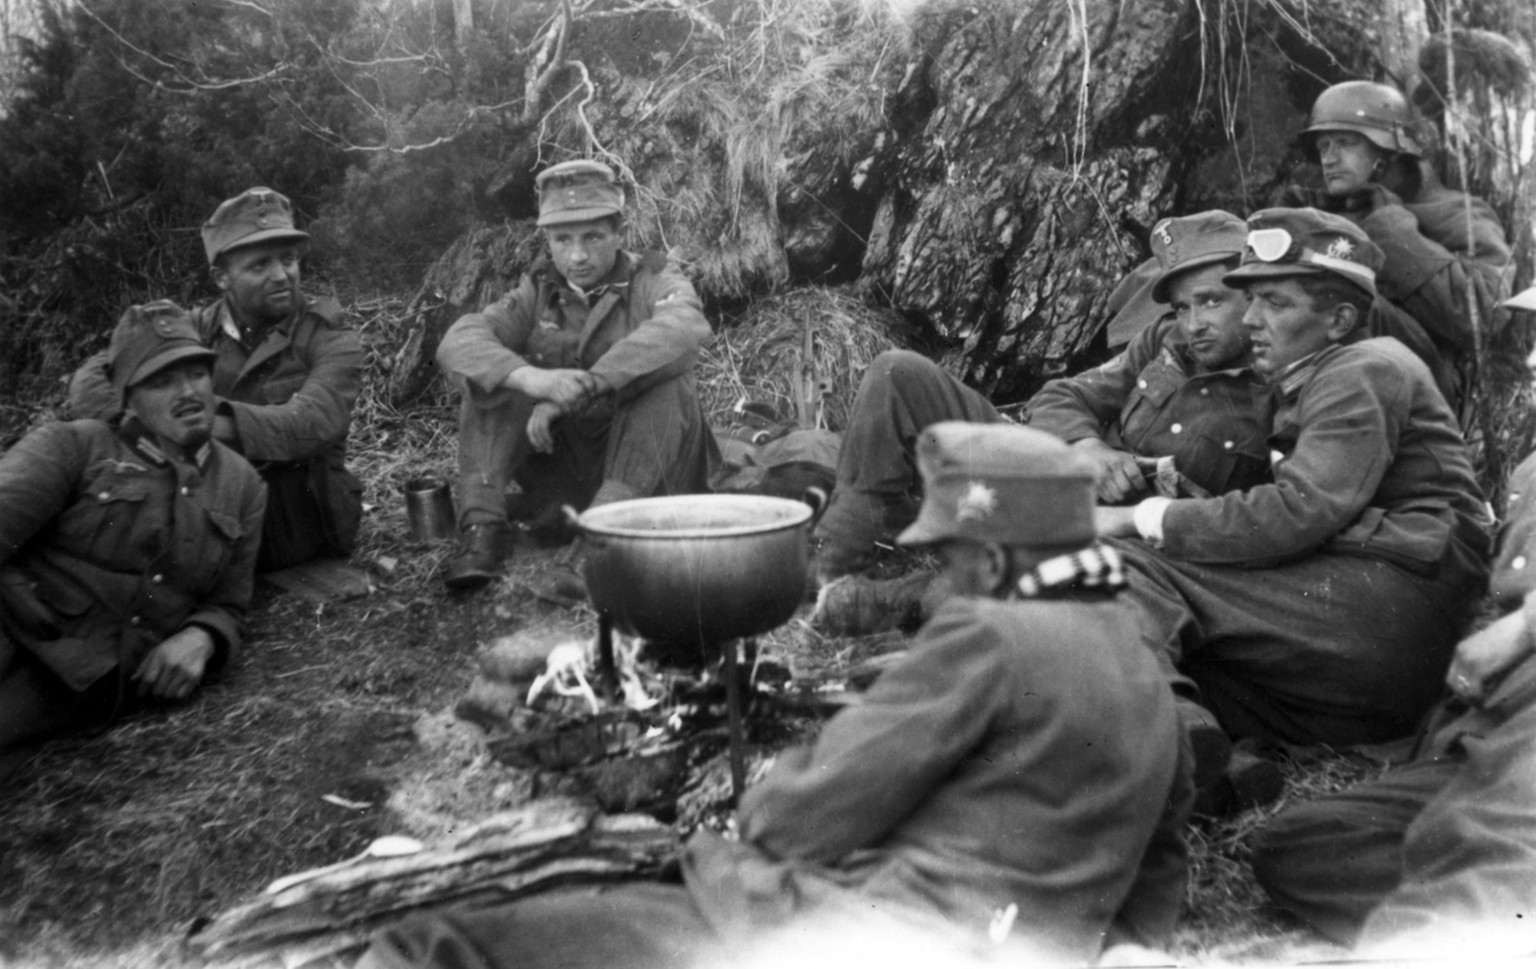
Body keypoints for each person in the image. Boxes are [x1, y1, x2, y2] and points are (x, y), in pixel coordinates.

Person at [356, 423, 1193, 968]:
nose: (949, 572)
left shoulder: (993, 634)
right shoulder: (1140, 657)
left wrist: (734, 832)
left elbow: (817, 806)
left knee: (443, 944)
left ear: (1000, 552)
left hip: (853, 937)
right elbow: (1159, 871)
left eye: (957, 552)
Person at [1095, 208, 1492, 757]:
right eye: (1251, 299)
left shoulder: (1362, 368)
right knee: (1190, 649)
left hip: (1396, 606)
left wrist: (1139, 518)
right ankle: (1212, 767)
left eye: (1275, 302)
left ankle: (1169, 743)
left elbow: (1299, 509)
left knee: (1127, 564)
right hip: (1381, 633)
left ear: (1340, 319)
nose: (1252, 319)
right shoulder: (1307, 379)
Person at [1248, 280, 1536, 959]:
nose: (1531, 360)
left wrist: (1523, 631)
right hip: (1485, 733)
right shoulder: (1531, 466)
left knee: (1495, 844)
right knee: (1306, 847)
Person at [812, 210, 1267, 589]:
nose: (1193, 324)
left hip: (1115, 544)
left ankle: (898, 585)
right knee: (899, 373)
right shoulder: (1165, 341)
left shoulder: (1279, 393)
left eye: (1210, 302)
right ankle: (834, 564)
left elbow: (1245, 523)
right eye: (1183, 307)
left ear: (1253, 295)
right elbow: (1062, 396)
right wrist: (1089, 448)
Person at [0, 302, 266, 781]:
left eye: (196, 374)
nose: (187, 392)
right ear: (128, 398)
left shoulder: (242, 484)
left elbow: (230, 602)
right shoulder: (74, 446)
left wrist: (201, 636)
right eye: (162, 381)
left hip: (77, 686)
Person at [435, 159, 716, 590]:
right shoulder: (538, 290)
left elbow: (684, 329)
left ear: (619, 233)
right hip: (568, 471)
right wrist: (535, 380)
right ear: (547, 240)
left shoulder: (654, 277)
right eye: (562, 239)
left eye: (592, 237)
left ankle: (599, 542)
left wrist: (586, 385)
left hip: (646, 476)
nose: (577, 255)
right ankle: (482, 531)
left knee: (666, 381)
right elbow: (461, 340)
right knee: (494, 378)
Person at [67, 187, 365, 571]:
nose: (282, 276)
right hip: (207, 494)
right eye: (259, 265)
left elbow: (311, 423)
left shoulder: (328, 333)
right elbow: (94, 375)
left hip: (297, 515)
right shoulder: (194, 327)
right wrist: (135, 422)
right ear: (221, 278)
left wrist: (180, 421)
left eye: (288, 259)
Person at [1283, 80, 1512, 409]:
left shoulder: (1455, 213)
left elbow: (1481, 315)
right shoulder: (1325, 212)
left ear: (1388, 152)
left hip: (1421, 390)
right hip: (1329, 385)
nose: (1329, 159)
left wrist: (1388, 229)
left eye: (1345, 143)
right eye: (1323, 147)